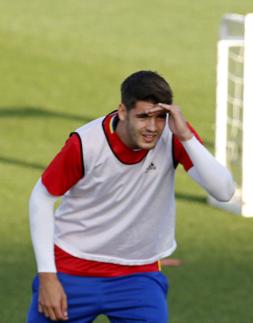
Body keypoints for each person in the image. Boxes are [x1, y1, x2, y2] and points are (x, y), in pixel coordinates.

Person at [27, 70, 235, 322]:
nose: (152, 127)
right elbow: (42, 198)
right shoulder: (86, 143)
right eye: (144, 116)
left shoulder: (173, 136)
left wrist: (186, 136)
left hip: (138, 275)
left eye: (160, 117)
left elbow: (224, 192)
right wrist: (48, 277)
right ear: (123, 111)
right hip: (72, 269)